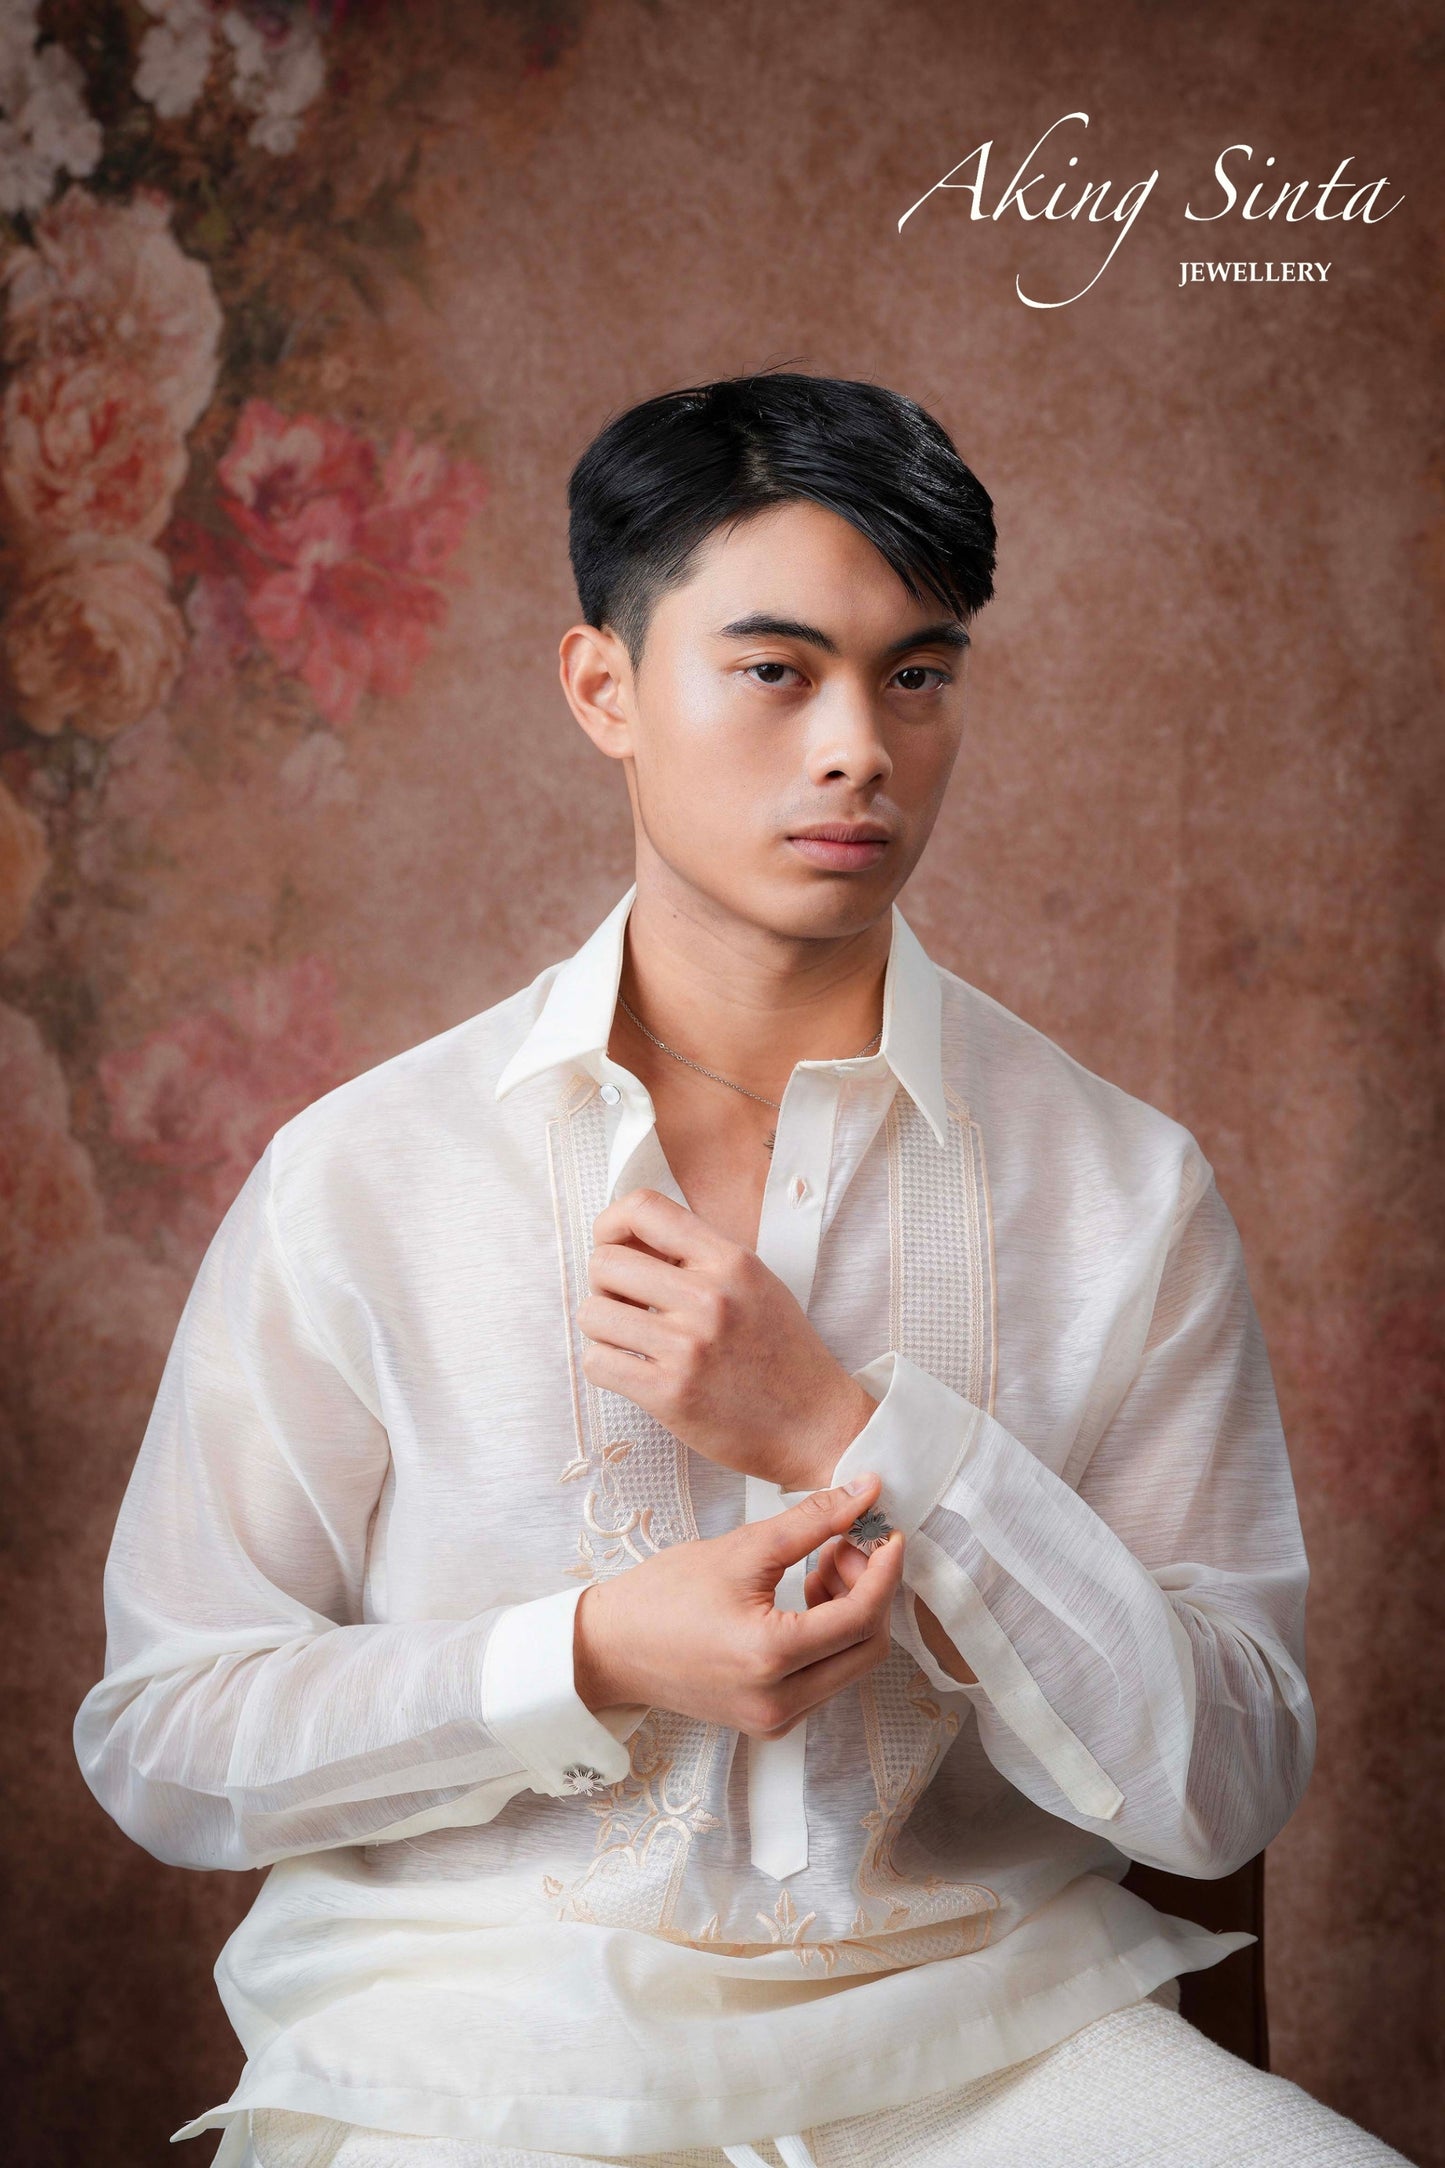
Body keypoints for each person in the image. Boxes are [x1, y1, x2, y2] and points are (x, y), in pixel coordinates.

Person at [74, 372, 1413, 2168]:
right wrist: (588, 1656)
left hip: (989, 2037)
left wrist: (863, 1437)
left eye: (915, 673)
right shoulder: (368, 1177)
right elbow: (167, 1738)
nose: (857, 743)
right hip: (478, 2049)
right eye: (776, 670)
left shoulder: (1119, 1187)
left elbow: (1225, 1778)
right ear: (603, 689)